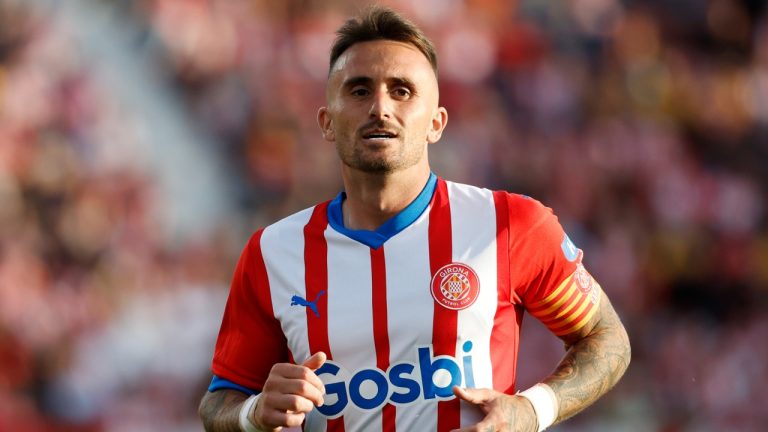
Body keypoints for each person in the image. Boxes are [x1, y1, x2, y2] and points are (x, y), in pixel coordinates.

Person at [199, 6, 630, 432]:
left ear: (436, 123)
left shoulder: (508, 224)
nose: (380, 107)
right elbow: (221, 400)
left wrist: (533, 409)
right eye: (359, 90)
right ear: (327, 123)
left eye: (402, 90)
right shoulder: (272, 253)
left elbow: (606, 338)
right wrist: (253, 413)